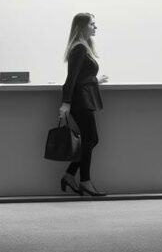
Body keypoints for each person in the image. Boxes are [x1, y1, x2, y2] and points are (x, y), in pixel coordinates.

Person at [57, 13, 109, 197]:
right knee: (91, 139)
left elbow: (81, 76)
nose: (96, 27)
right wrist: (66, 103)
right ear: (82, 27)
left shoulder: (83, 47)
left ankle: (70, 175)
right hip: (80, 101)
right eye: (92, 24)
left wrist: (95, 80)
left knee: (90, 139)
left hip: (84, 99)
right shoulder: (79, 49)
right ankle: (84, 180)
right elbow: (71, 79)